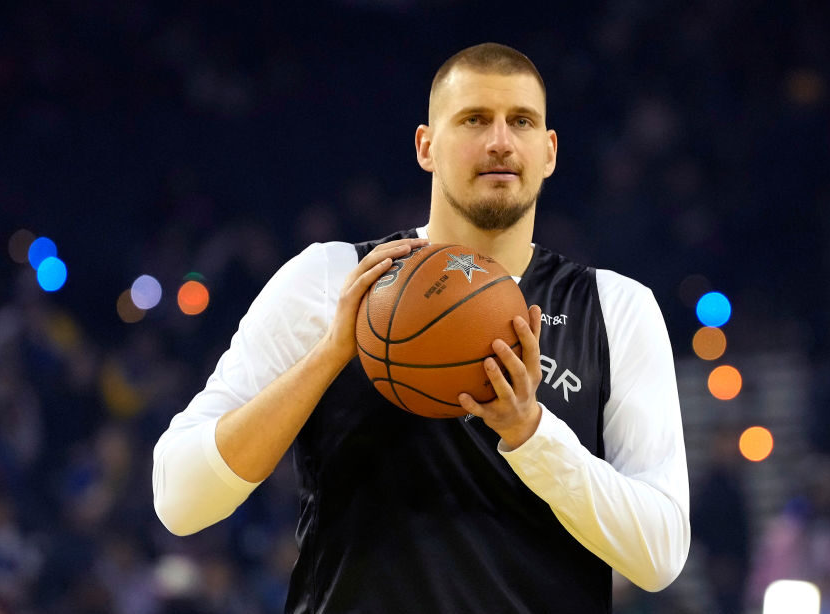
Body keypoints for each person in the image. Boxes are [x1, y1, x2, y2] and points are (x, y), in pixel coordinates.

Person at [153, 42, 689, 614]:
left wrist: (533, 434)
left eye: (522, 122)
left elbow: (659, 556)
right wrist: (330, 356)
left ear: (549, 151)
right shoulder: (331, 278)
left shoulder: (615, 306)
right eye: (474, 120)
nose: (500, 141)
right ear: (426, 146)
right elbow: (180, 500)